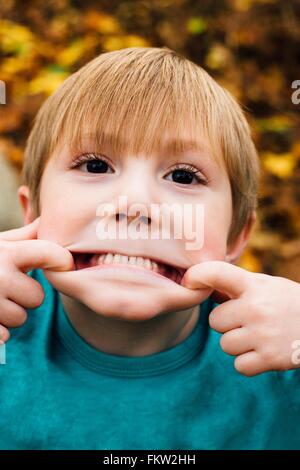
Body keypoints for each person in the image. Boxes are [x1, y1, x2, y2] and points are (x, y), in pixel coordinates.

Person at [0, 47, 299, 450]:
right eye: (95, 166)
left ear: (235, 237)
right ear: (31, 211)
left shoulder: (285, 353)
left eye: (183, 176)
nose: (136, 204)